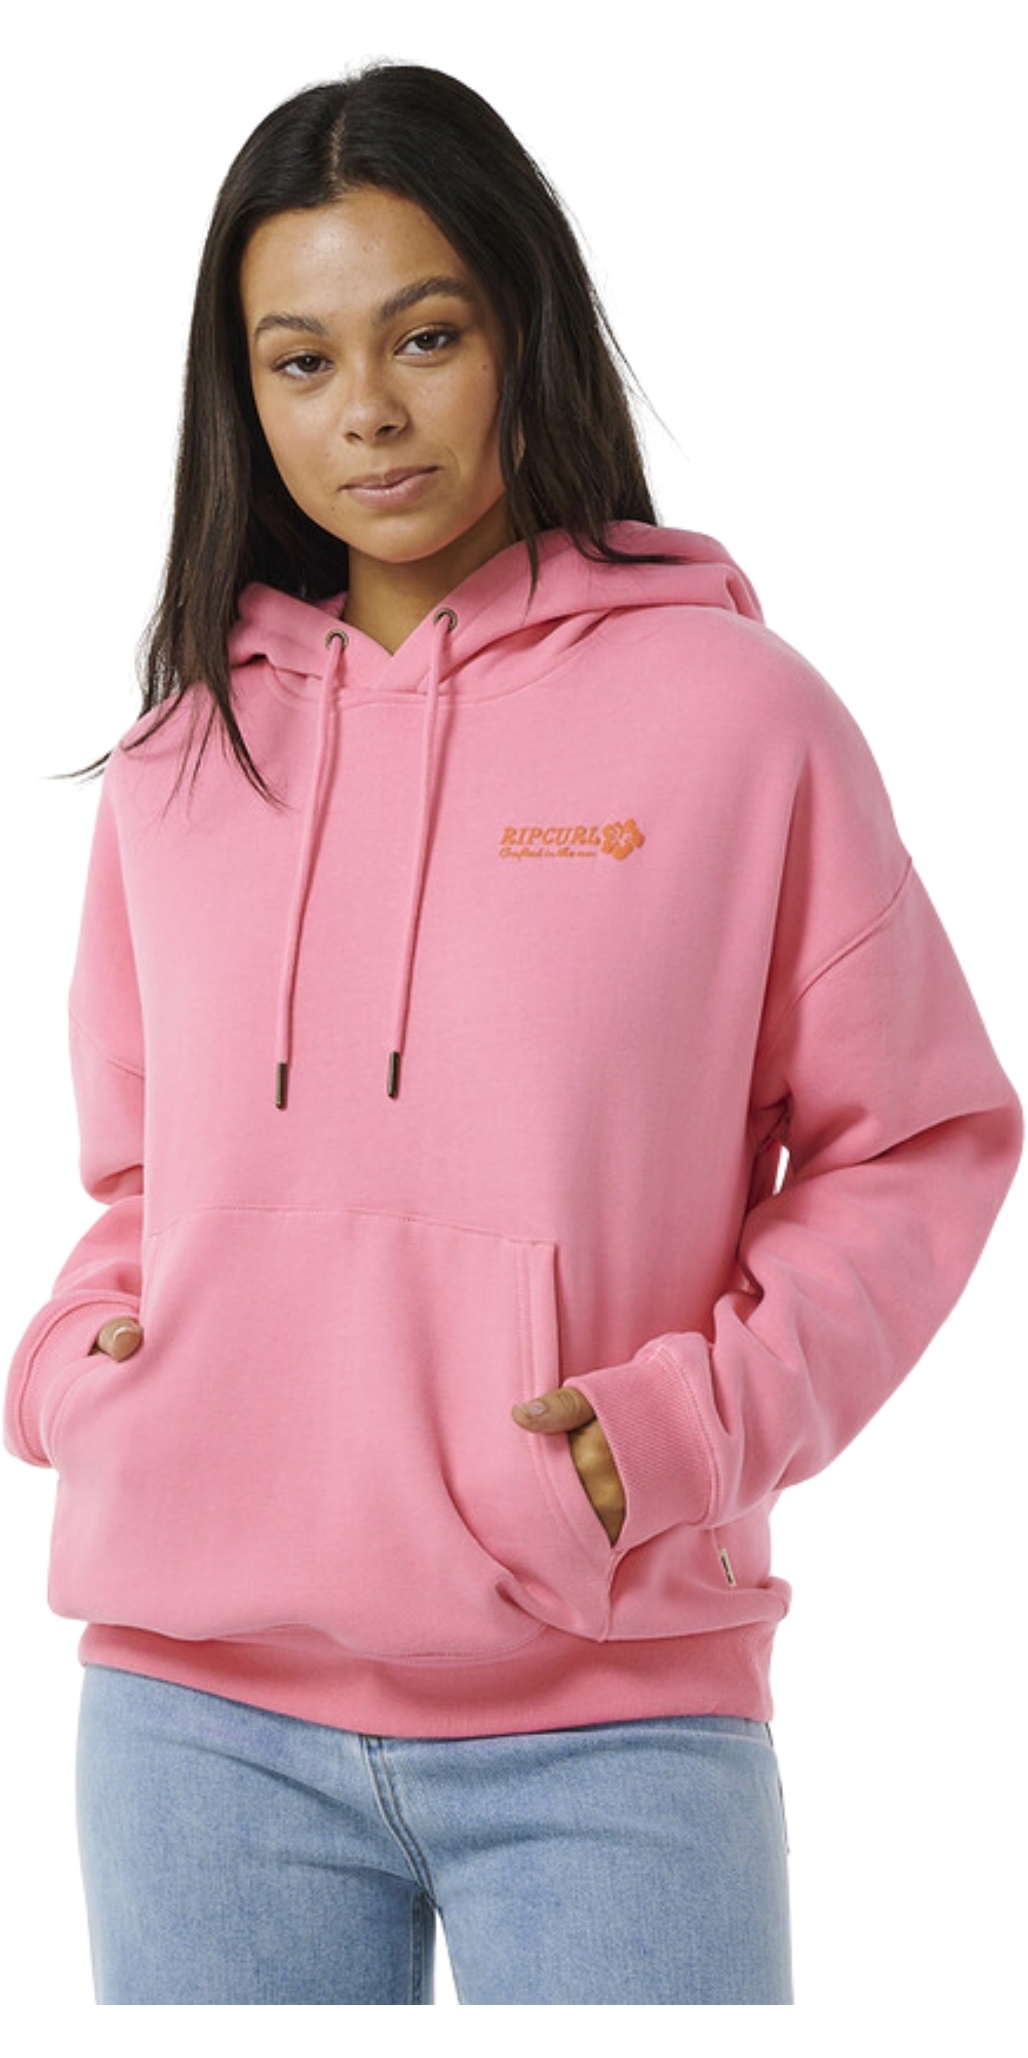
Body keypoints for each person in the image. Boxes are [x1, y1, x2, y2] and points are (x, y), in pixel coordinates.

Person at [3, 61, 1021, 2008]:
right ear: (243, 396)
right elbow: (144, 1178)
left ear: (521, 333)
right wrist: (69, 1367)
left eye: (426, 335)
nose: (367, 411)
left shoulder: (738, 719)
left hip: (611, 1709)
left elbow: (916, 1140)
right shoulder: (179, 758)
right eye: (300, 361)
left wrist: (687, 1432)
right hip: (191, 1714)